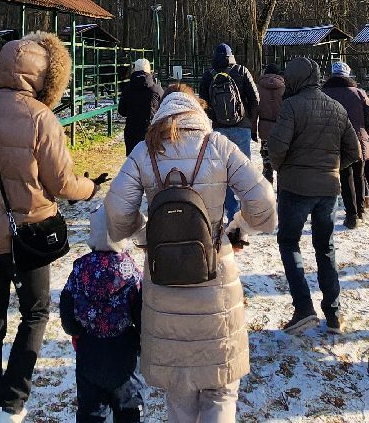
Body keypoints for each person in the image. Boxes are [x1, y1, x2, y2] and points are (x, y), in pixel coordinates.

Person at [0, 32, 105, 423]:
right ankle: (12, 401)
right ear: (41, 78)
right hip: (27, 236)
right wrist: (90, 189)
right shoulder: (41, 119)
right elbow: (63, 183)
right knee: (35, 312)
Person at [103, 90, 276, 422]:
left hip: (163, 284)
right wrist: (235, 230)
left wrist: (148, 235)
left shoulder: (144, 151)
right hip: (215, 282)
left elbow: (116, 216)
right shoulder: (219, 146)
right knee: (221, 389)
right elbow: (265, 206)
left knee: (179, 393)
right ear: (198, 110)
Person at [264, 56, 360, 335]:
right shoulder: (337, 108)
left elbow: (277, 147)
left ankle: (303, 307)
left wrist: (284, 168)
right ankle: (334, 313)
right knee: (325, 247)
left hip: (295, 188)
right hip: (328, 190)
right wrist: (330, 168)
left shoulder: (291, 106)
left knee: (289, 242)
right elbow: (353, 151)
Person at [60, 205, 146, 423]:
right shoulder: (131, 271)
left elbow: (67, 304)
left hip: (90, 352)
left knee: (91, 411)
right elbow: (141, 315)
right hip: (124, 352)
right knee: (128, 409)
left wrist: (75, 329)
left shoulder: (80, 269)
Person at [196, 44, 259, 243]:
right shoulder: (242, 71)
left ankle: (229, 216)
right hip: (242, 129)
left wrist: (212, 121)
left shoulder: (209, 75)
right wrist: (251, 123)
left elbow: (202, 104)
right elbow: (255, 99)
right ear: (232, 56)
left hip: (218, 130)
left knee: (220, 175)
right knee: (241, 176)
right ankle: (243, 222)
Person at [322, 61, 369, 226]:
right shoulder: (359, 93)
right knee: (359, 176)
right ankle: (360, 211)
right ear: (348, 74)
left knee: (345, 177)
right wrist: (366, 135)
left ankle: (351, 215)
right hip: (359, 139)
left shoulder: (323, 93)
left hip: (334, 140)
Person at [117, 57, 164, 155]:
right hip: (151, 133)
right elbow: (164, 110)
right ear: (149, 70)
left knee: (134, 164)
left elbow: (121, 111)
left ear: (135, 69)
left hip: (132, 132)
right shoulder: (157, 90)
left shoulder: (128, 89)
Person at [255, 61, 286, 183]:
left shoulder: (258, 87)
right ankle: (281, 192)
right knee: (281, 161)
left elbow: (254, 109)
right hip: (281, 129)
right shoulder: (285, 87)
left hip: (264, 128)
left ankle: (267, 189)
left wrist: (253, 130)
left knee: (267, 162)